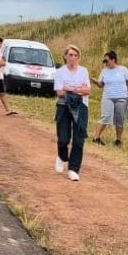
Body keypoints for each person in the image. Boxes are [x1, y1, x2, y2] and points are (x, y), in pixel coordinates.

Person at [53, 44, 89, 181]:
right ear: (65, 56)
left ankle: (74, 169)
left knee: (79, 139)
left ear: (78, 57)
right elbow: (60, 92)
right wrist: (77, 89)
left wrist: (71, 89)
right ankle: (62, 156)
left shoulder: (84, 71)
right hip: (64, 106)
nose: (72, 57)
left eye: (75, 55)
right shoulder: (60, 72)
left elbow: (87, 90)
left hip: (81, 106)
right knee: (63, 138)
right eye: (70, 55)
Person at [92, 50, 128, 146]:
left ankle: (118, 140)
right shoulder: (104, 71)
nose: (105, 63)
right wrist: (95, 82)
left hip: (122, 98)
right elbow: (101, 84)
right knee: (106, 116)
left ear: (113, 60)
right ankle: (96, 138)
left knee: (119, 119)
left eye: (106, 61)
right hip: (108, 97)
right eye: (104, 61)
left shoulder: (123, 70)